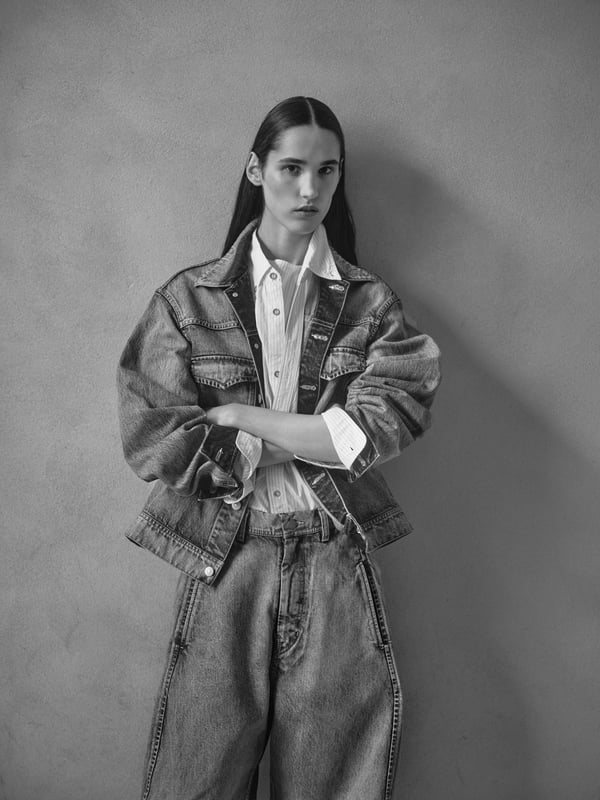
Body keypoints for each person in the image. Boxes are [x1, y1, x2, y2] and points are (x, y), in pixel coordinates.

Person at [117, 95, 441, 800]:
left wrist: (239, 417)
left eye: (327, 171)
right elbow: (154, 437)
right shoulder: (188, 300)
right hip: (225, 559)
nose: (309, 189)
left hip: (336, 557)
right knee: (196, 782)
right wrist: (312, 435)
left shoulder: (371, 306)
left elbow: (378, 424)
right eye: (292, 167)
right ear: (256, 169)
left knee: (336, 785)